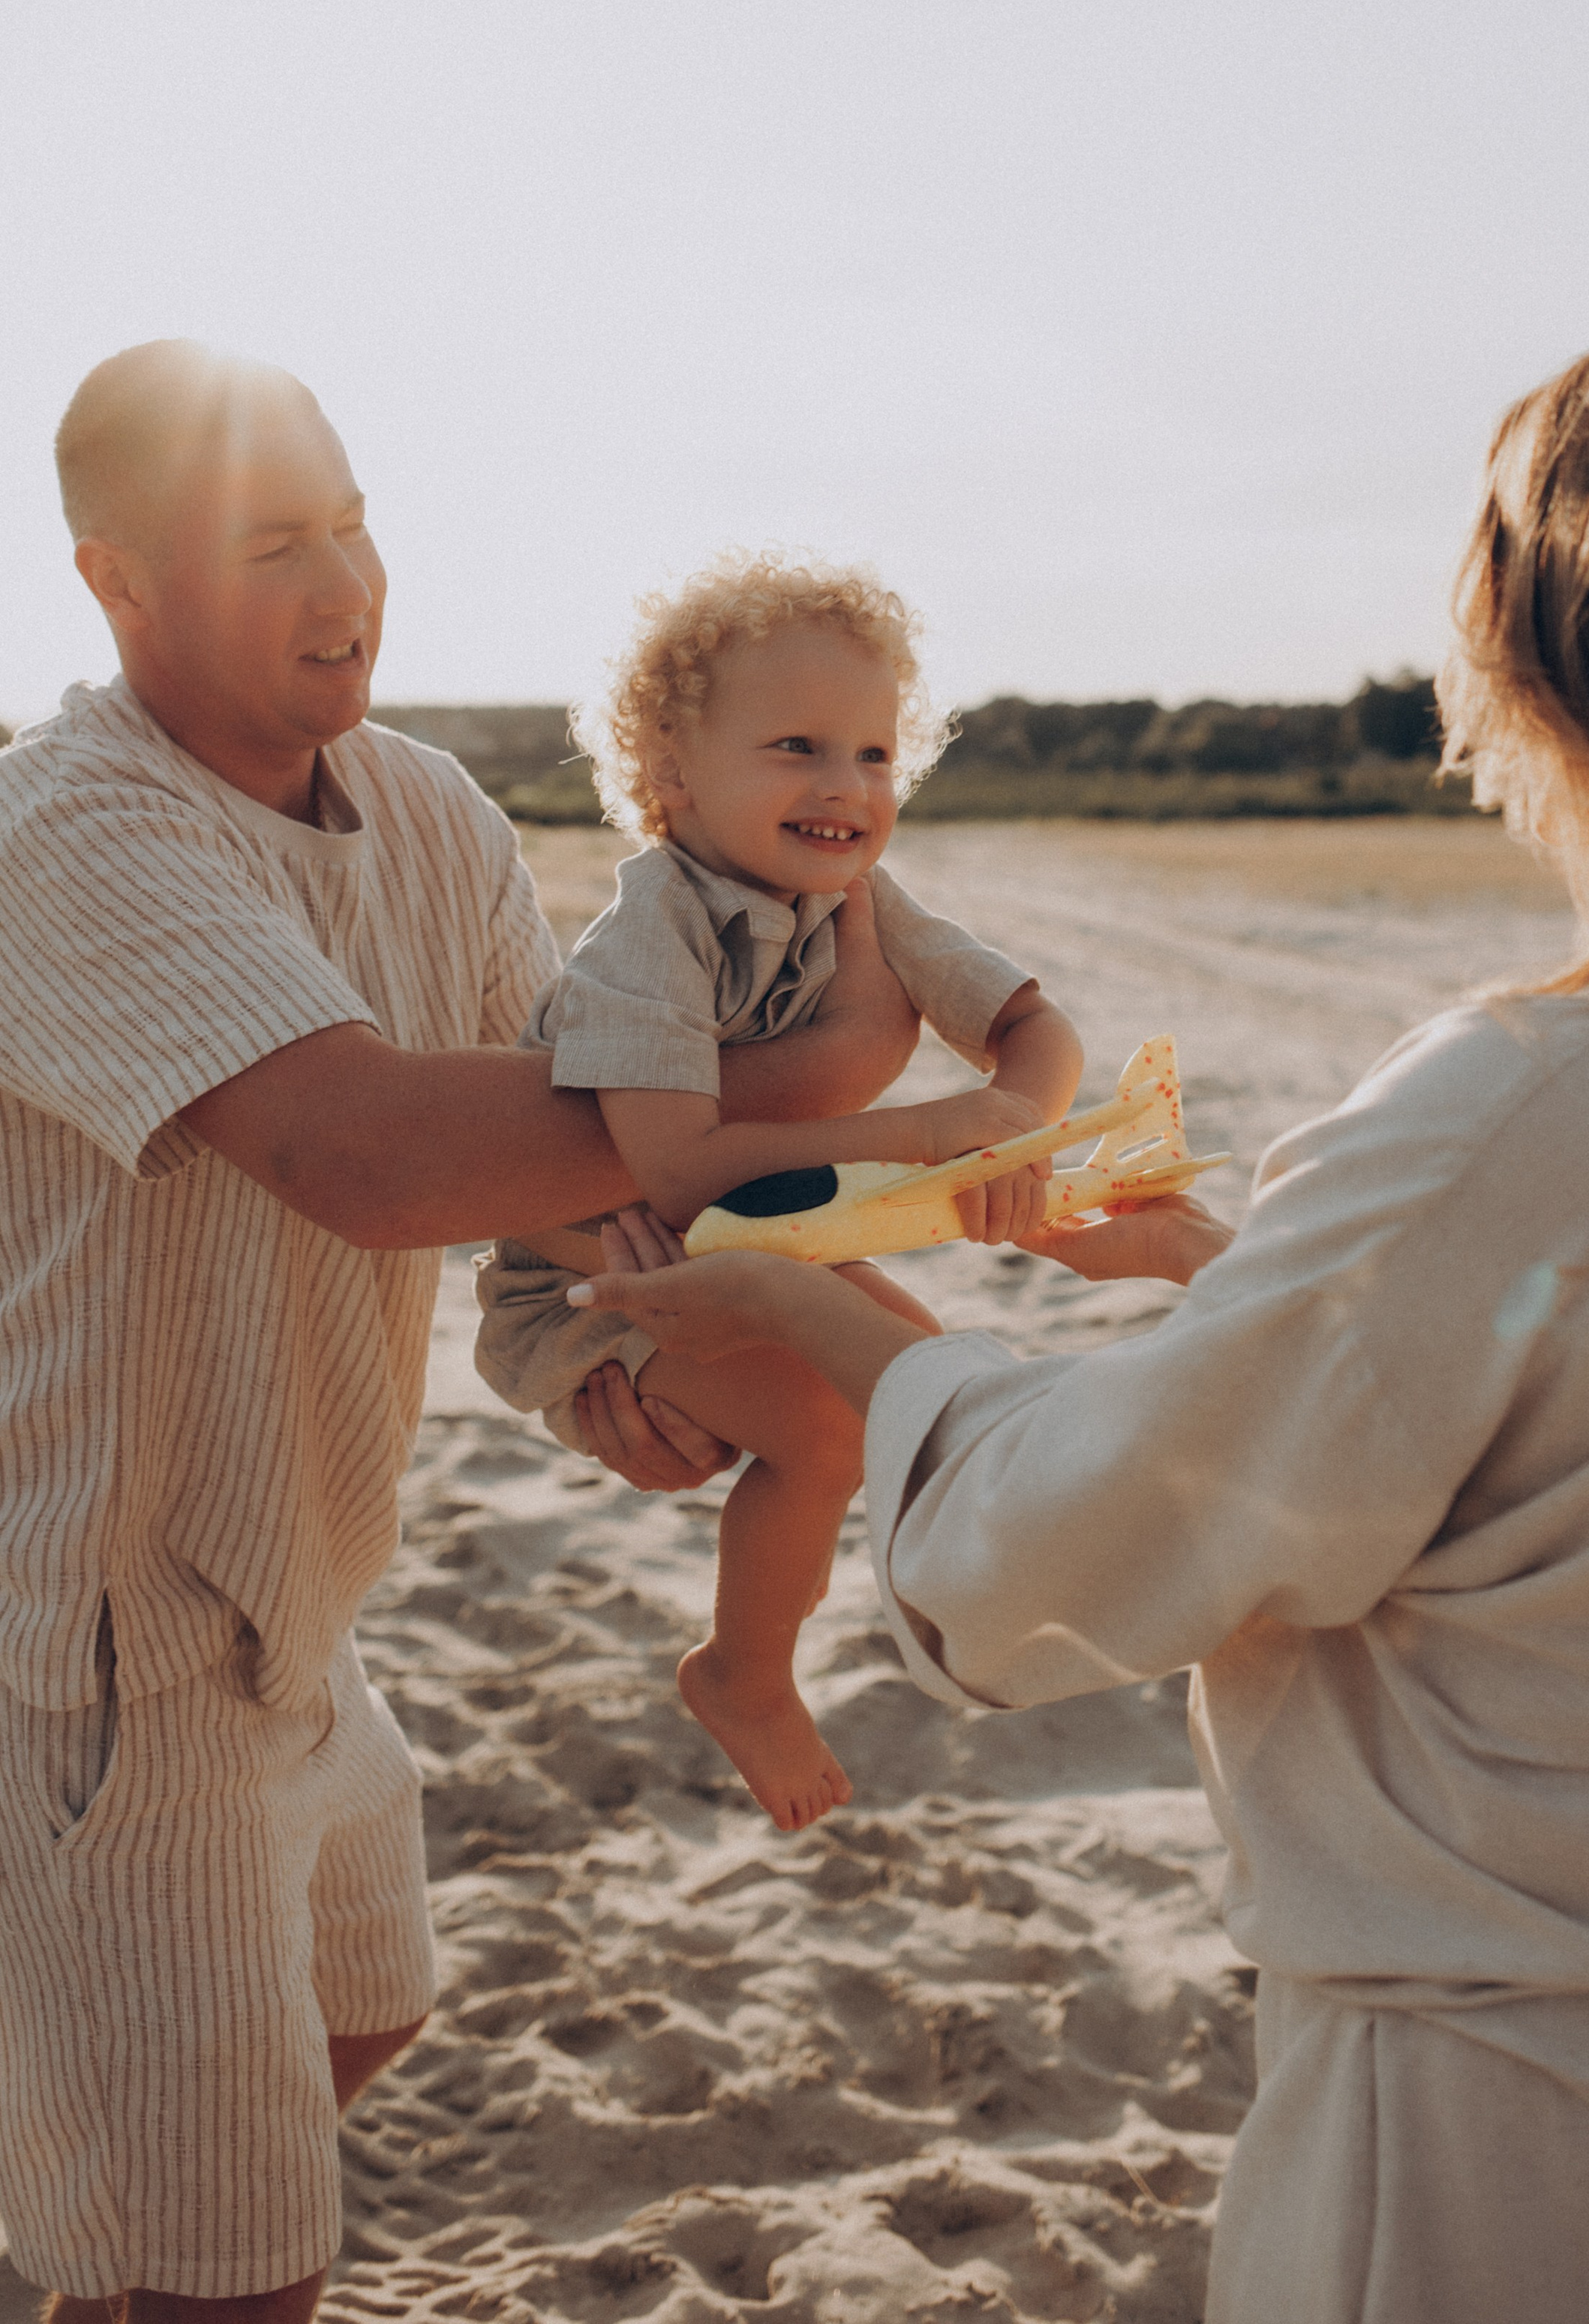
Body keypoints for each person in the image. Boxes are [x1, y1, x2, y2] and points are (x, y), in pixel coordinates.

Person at [567, 294, 1589, 2322]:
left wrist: (848, 1322)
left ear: (1563, 663)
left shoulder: (1542, 1105)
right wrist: (1223, 1274)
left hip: (1519, 2154)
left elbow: (1072, 1563)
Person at [0, 342, 917, 2324]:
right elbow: (367, 1155)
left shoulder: (422, 809)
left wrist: (600, 1379)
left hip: (304, 1607)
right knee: (228, 2274)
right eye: (271, 544)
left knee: (360, 2020)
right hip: (102, 1650)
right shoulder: (68, 835)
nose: (345, 580)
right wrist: (881, 1112)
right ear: (116, 583)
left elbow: (561, 1179)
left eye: (353, 520)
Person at [474, 552, 1080, 1829]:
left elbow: (1034, 1030)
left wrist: (1018, 1128)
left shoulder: (858, 896)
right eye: (797, 745)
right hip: (602, 1264)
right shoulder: (652, 930)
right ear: (672, 772)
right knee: (823, 1435)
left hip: (754, 1243)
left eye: (873, 754)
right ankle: (743, 1673)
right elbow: (675, 1171)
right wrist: (925, 1132)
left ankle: (977, 1617)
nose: (844, 787)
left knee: (930, 1381)